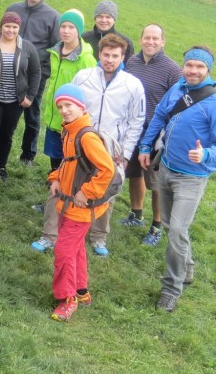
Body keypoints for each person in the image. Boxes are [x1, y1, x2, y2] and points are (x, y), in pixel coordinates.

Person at [138, 46, 216, 312]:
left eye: (199, 67)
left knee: (178, 230)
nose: (193, 71)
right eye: (189, 65)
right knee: (171, 227)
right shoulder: (177, 89)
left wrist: (206, 154)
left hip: (191, 178)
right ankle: (187, 267)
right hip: (166, 167)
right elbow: (159, 116)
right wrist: (146, 147)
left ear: (208, 70)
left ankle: (171, 289)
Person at [31, 33, 144, 256]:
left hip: (110, 148)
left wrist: (127, 153)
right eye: (106, 55)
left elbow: (136, 121)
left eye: (115, 56)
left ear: (123, 58)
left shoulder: (133, 85)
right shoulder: (84, 76)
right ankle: (49, 235)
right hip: (80, 142)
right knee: (62, 185)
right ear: (99, 54)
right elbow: (68, 105)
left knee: (106, 191)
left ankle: (99, 237)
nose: (109, 59)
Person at [45, 84, 115, 322]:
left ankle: (67, 299)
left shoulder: (86, 136)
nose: (64, 110)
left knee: (63, 251)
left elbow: (108, 169)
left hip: (81, 209)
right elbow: (68, 162)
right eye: (60, 106)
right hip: (67, 203)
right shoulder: (69, 131)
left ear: (81, 107)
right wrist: (55, 178)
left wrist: (87, 192)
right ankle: (81, 290)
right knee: (74, 249)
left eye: (69, 105)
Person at [122, 24, 183, 241]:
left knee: (156, 181)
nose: (151, 42)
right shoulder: (132, 62)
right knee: (134, 173)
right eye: (147, 38)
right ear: (140, 40)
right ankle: (136, 213)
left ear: (163, 42)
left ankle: (156, 226)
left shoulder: (172, 70)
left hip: (156, 135)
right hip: (133, 129)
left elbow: (180, 104)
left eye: (155, 38)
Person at [5, 0, 60, 166]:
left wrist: (42, 73)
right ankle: (0, 148)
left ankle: (28, 154)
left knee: (32, 115)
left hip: (34, 75)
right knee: (4, 110)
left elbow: (55, 48)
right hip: (8, 70)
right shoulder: (14, 9)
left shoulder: (52, 16)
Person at [0, 11, 40, 181]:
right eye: (7, 26)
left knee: (6, 135)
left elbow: (36, 73)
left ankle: (0, 167)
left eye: (14, 27)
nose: (11, 30)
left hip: (15, 101)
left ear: (19, 28)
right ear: (1, 26)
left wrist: (30, 96)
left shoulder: (27, 47)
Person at [39, 9, 95, 171]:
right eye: (63, 27)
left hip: (71, 117)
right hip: (54, 114)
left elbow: (89, 92)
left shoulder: (86, 59)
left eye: (71, 27)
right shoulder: (55, 52)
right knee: (54, 153)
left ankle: (66, 183)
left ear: (79, 31)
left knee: (69, 155)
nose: (66, 31)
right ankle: (55, 175)